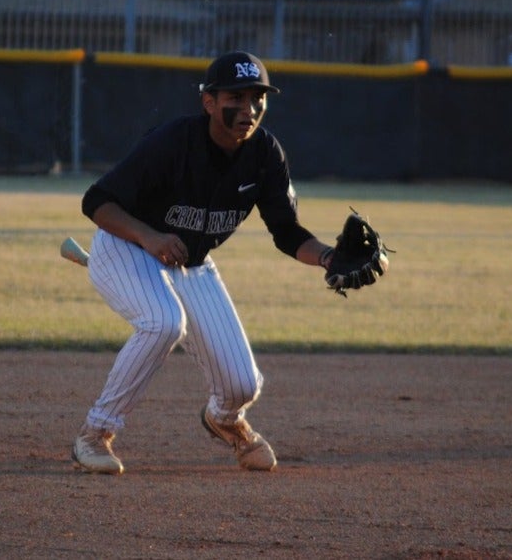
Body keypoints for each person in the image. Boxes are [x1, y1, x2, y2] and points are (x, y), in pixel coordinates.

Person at [72, 51, 337, 475]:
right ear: (209, 102)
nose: (248, 109)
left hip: (190, 265)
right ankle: (95, 433)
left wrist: (328, 257)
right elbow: (97, 201)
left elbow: (287, 233)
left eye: (257, 98)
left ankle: (226, 420)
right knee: (163, 322)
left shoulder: (265, 154)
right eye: (236, 97)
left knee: (242, 385)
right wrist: (150, 236)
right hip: (125, 246)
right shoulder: (172, 142)